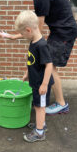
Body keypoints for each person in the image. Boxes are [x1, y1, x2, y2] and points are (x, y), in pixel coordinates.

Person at [0, 0, 77, 115]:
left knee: (51, 66)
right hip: (60, 30)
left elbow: (37, 31)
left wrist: (14, 37)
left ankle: (61, 103)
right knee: (48, 64)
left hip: (63, 33)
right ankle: (54, 99)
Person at [15, 10, 53, 142]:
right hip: (36, 81)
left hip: (41, 84)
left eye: (22, 33)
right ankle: (40, 124)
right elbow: (32, 60)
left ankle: (40, 132)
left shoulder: (42, 45)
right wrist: (27, 72)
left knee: (39, 107)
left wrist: (44, 84)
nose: (22, 36)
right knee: (38, 106)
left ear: (28, 30)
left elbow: (49, 65)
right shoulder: (33, 41)